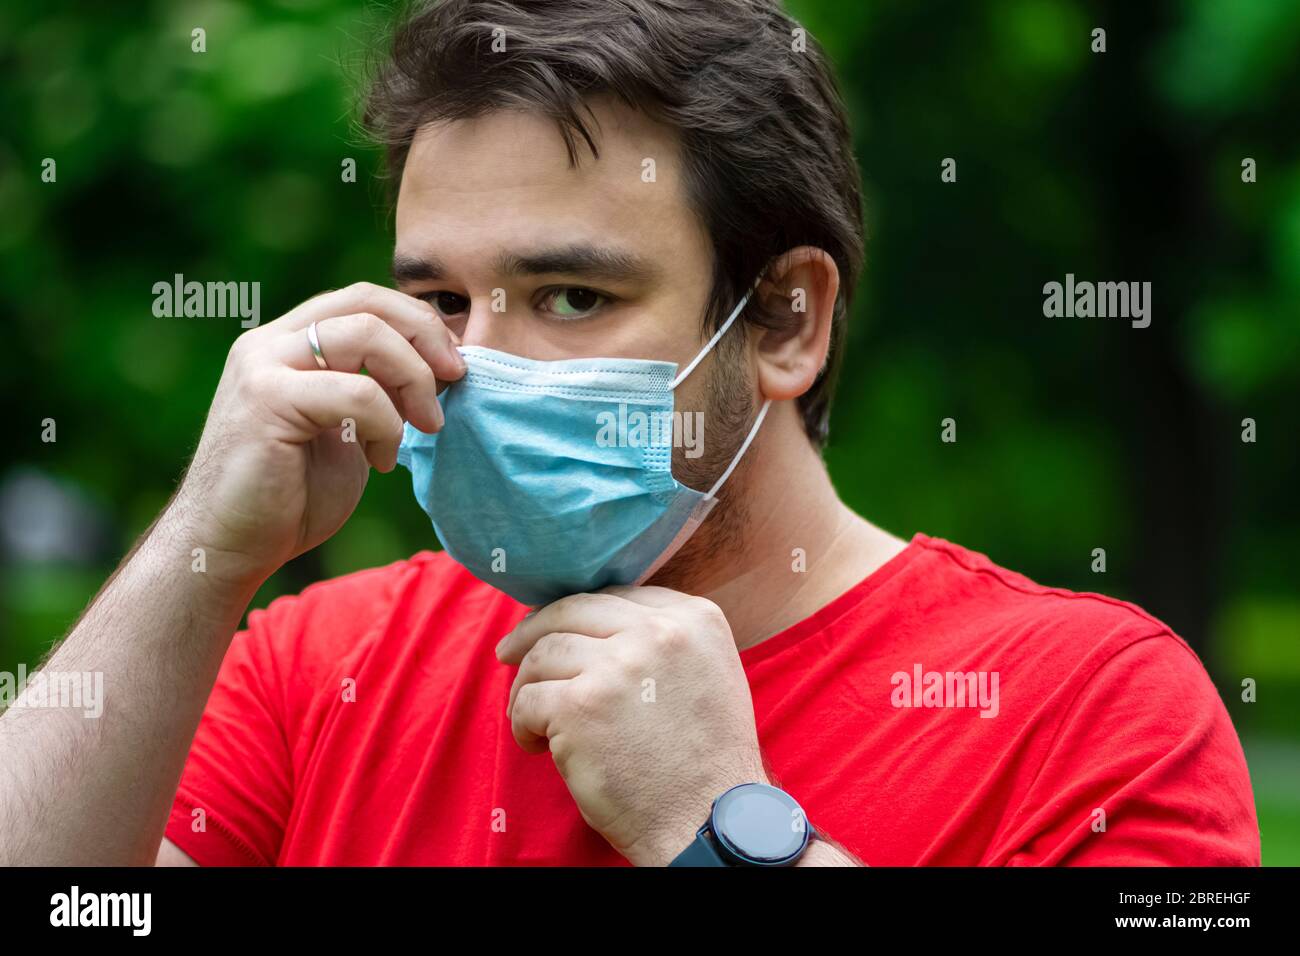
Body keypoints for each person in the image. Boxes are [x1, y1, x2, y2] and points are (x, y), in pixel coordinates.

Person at [0, 0, 1259, 867]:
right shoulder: (311, 662)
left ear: (783, 319)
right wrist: (201, 557)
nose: (475, 361)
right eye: (439, 299)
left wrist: (720, 827)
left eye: (571, 297)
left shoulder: (1090, 708)